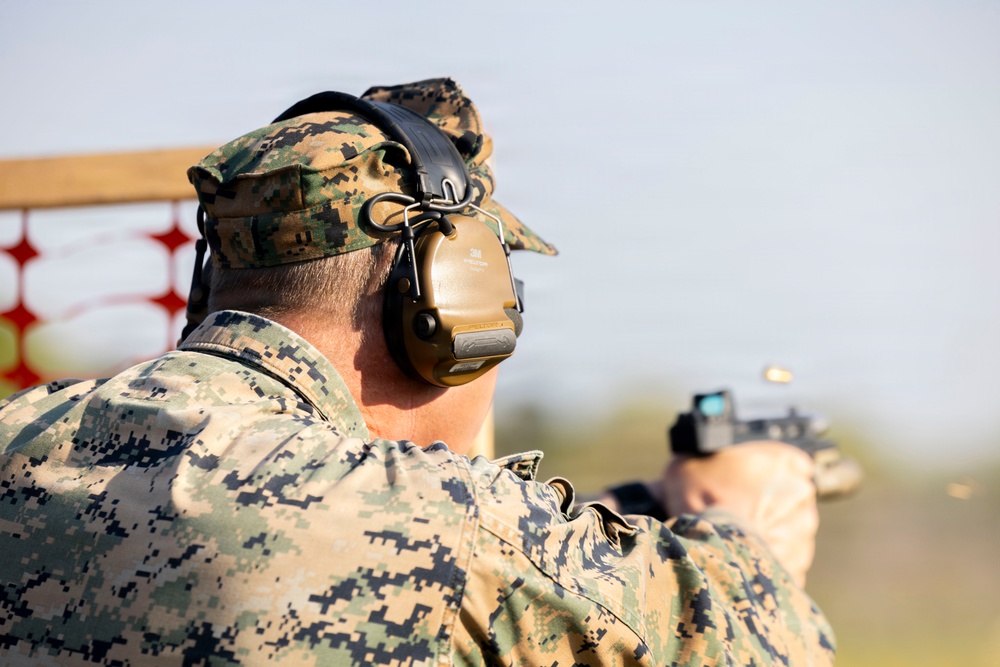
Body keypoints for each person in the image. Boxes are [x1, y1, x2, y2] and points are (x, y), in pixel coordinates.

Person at [0, 78, 833, 665]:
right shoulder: (445, 519)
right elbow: (749, 642)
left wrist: (603, 520)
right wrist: (743, 529)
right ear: (454, 307)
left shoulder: (21, 437)